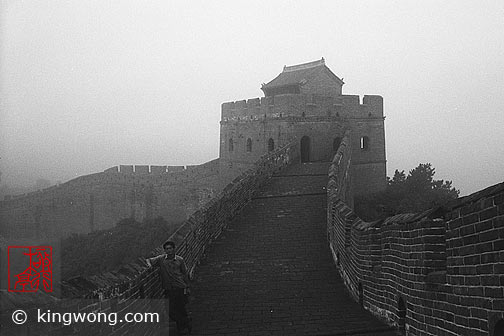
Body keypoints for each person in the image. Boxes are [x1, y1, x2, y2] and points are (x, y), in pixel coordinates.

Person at [146, 240, 192, 335]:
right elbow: (148, 260)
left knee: (180, 308)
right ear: (164, 250)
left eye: (170, 248)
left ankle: (182, 328)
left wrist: (187, 287)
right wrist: (150, 266)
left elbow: (184, 274)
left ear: (174, 249)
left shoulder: (180, 260)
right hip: (169, 289)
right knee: (170, 310)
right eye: (167, 249)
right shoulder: (161, 259)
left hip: (180, 287)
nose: (169, 250)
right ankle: (186, 323)